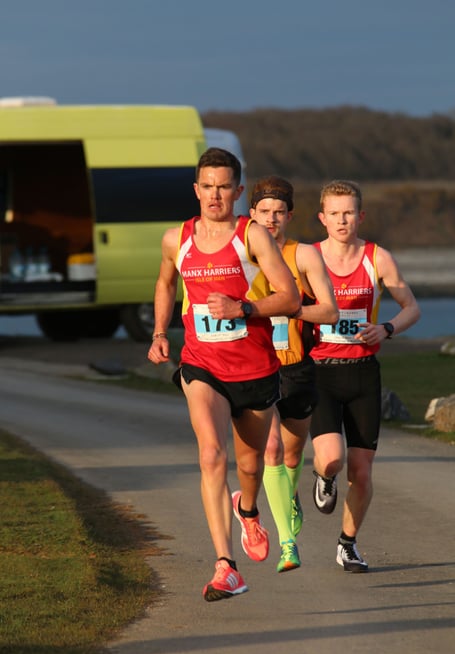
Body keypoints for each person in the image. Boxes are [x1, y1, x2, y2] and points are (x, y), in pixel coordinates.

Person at [147, 147, 300, 602]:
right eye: (207, 186)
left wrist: (243, 308)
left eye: (224, 187)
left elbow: (290, 297)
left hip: (254, 369)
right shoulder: (176, 239)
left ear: (237, 191)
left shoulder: (253, 236)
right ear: (196, 190)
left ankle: (247, 510)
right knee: (212, 456)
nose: (215, 195)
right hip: (201, 364)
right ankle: (226, 567)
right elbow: (165, 282)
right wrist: (160, 332)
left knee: (250, 466)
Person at [310, 179, 421, 572]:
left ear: (361, 216)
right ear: (322, 218)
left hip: (362, 374)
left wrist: (386, 329)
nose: (342, 220)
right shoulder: (309, 258)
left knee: (361, 470)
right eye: (334, 213)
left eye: (349, 213)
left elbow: (411, 307)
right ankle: (323, 477)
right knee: (332, 460)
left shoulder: (378, 258)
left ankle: (348, 543)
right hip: (320, 372)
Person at [248, 176, 338, 573]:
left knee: (290, 452)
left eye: (279, 212)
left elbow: (330, 311)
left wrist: (289, 307)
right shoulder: (241, 256)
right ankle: (288, 544)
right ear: (252, 214)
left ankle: (291, 494)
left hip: (297, 366)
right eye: (264, 212)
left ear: (290, 216)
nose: (271, 219)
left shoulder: (303, 255)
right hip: (256, 367)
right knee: (269, 450)